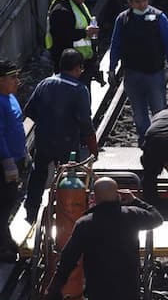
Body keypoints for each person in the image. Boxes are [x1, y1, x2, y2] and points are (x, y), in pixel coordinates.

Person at [46, 178, 163, 300]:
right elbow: (157, 218)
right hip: (128, 291)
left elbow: (68, 258)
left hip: (102, 295)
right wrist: (134, 200)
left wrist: (55, 286)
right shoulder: (131, 215)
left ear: (94, 198)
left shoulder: (85, 224)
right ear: (117, 195)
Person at [24, 49, 97, 223]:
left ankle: (31, 213)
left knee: (38, 175)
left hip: (43, 141)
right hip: (67, 145)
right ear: (78, 68)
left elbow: (30, 111)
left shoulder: (45, 83)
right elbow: (86, 124)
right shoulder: (79, 90)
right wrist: (94, 148)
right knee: (70, 178)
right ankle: (68, 214)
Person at [108, 0, 168, 146]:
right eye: (138, 1)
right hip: (132, 73)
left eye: (145, 0)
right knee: (139, 113)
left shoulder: (159, 17)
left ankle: (160, 141)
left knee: (159, 110)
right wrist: (112, 68)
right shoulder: (123, 19)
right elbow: (115, 43)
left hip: (155, 73)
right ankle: (145, 141)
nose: (143, 4)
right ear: (130, 2)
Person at [44, 0, 100, 87]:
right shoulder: (61, 9)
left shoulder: (78, 3)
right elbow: (62, 35)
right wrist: (85, 32)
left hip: (81, 65)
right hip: (69, 68)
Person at [0, 61, 25, 262]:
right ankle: (3, 247)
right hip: (4, 164)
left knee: (8, 202)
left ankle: (5, 239)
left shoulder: (10, 98)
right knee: (3, 204)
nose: (18, 81)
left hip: (16, 159)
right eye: (13, 78)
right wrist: (7, 161)